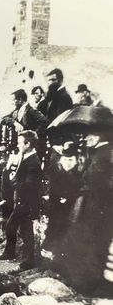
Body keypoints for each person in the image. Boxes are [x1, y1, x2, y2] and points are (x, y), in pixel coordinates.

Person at [56, 122, 113, 296]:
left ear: (99, 136)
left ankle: (87, 283)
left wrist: (84, 172)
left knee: (90, 241)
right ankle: (83, 280)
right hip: (95, 204)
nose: (86, 138)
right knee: (86, 241)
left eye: (90, 135)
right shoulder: (99, 152)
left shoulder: (104, 153)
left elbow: (94, 177)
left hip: (97, 206)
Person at [0, 130, 42, 270]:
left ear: (28, 144)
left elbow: (29, 184)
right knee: (20, 228)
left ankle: (27, 260)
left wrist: (13, 180)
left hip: (27, 201)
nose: (18, 145)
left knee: (21, 229)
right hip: (21, 199)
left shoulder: (34, 162)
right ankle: (18, 256)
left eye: (21, 142)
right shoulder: (24, 155)